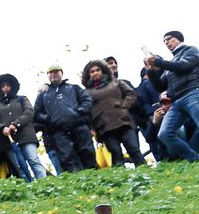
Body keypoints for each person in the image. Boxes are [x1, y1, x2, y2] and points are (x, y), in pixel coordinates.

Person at [145, 30, 199, 162]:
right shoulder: (171, 63)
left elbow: (183, 66)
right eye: (164, 41)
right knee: (164, 134)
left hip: (192, 92)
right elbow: (160, 86)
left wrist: (158, 62)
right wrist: (150, 70)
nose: (166, 43)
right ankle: (194, 159)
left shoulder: (191, 50)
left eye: (169, 39)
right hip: (176, 101)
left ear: (179, 39)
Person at [84, 59, 146, 167]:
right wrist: (91, 128)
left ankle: (146, 172)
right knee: (116, 154)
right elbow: (86, 111)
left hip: (123, 121)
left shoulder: (116, 82)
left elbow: (131, 93)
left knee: (134, 149)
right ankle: (121, 179)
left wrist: (125, 105)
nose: (95, 73)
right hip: (104, 126)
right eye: (92, 71)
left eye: (98, 70)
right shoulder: (86, 93)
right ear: (88, 75)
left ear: (103, 71)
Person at [35, 64, 96, 172]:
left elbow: (87, 100)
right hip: (58, 130)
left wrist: (79, 111)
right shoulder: (43, 94)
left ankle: (93, 176)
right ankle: (76, 180)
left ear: (61, 73)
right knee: (67, 156)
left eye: (56, 72)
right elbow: (37, 112)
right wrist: (50, 119)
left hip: (79, 125)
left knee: (87, 152)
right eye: (50, 73)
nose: (53, 75)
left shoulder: (74, 87)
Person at [0, 73, 45, 181]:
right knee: (19, 166)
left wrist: (15, 124)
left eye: (8, 85)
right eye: (3, 86)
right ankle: (29, 186)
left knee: (34, 160)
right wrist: (2, 128)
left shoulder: (22, 99)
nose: (5, 88)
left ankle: (44, 183)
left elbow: (29, 112)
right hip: (8, 140)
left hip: (26, 136)